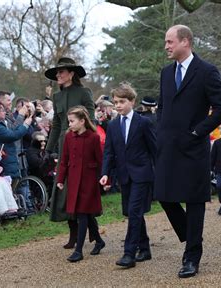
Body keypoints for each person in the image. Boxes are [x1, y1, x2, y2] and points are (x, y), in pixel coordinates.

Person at [154, 25, 221, 278]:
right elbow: (162, 106)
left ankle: (192, 256)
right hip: (167, 147)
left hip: (194, 148)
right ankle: (191, 236)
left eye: (170, 41)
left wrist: (198, 132)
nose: (166, 46)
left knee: (195, 201)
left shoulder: (207, 71)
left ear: (185, 42)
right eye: (166, 42)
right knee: (164, 196)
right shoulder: (166, 73)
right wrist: (160, 131)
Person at [100, 83, 156, 268]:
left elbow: (154, 150)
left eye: (122, 101)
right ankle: (145, 248)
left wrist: (161, 174)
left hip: (142, 174)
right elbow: (108, 152)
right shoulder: (114, 125)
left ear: (132, 101)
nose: (118, 105)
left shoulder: (144, 122)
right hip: (124, 176)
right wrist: (105, 174)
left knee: (133, 212)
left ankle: (129, 254)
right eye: (115, 102)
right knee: (133, 212)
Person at [44, 57, 95, 249]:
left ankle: (94, 233)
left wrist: (88, 141)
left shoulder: (84, 92)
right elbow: (57, 124)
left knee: (82, 191)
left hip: (83, 144)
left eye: (61, 72)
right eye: (57, 72)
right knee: (64, 189)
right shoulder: (56, 97)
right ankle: (74, 234)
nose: (58, 75)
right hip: (64, 145)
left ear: (71, 73)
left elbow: (91, 119)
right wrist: (48, 149)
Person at [56, 106, 105, 262]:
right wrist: (60, 180)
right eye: (68, 121)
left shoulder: (93, 137)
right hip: (73, 180)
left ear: (82, 121)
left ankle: (78, 250)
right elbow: (64, 160)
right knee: (86, 213)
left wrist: (104, 178)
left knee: (82, 214)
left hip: (89, 181)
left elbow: (100, 160)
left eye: (72, 121)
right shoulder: (69, 137)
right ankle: (99, 241)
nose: (69, 124)